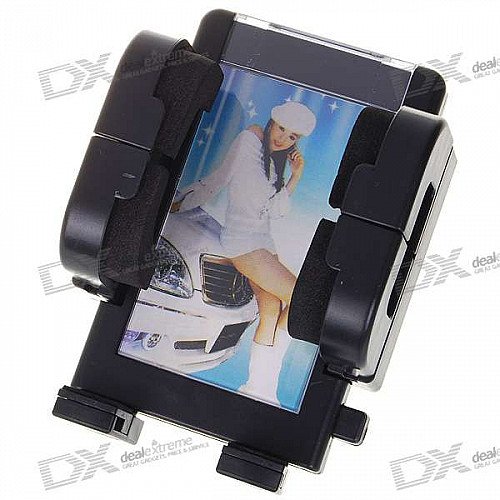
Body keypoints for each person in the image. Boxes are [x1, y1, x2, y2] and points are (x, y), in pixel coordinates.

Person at [172, 101, 316, 405]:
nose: (283, 138)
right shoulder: (250, 139)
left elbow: (276, 212)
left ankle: (259, 390)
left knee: (271, 310)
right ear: (271, 122)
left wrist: (296, 175)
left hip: (263, 242)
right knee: (302, 299)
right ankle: (261, 387)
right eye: (281, 128)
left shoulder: (276, 163)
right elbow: (219, 179)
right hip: (242, 242)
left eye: (292, 136)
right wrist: (180, 203)